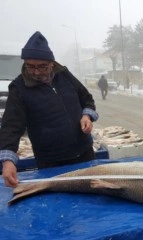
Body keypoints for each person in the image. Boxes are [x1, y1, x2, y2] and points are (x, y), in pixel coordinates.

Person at [0, 31, 99, 188]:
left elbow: (87, 99)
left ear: (51, 63)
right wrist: (7, 161)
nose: (36, 72)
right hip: (52, 161)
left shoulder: (64, 75)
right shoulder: (19, 88)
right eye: (30, 67)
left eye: (42, 67)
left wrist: (87, 116)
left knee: (93, 197)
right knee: (60, 205)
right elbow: (11, 127)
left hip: (85, 152)